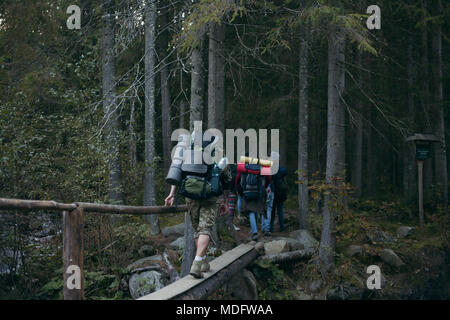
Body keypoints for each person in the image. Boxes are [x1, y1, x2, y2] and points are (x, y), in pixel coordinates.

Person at [164, 138, 232, 279]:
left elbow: (178, 174)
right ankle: (198, 263)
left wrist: (171, 194)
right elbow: (227, 181)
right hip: (211, 197)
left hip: (191, 197)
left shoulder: (188, 153)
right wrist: (225, 201)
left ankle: (202, 261)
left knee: (198, 230)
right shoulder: (218, 153)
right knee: (205, 229)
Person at [270, 166, 287, 232]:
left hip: (274, 193)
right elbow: (285, 171)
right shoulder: (281, 170)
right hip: (280, 193)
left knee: (272, 211)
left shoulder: (272, 171)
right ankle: (282, 227)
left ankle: (271, 228)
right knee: (280, 210)